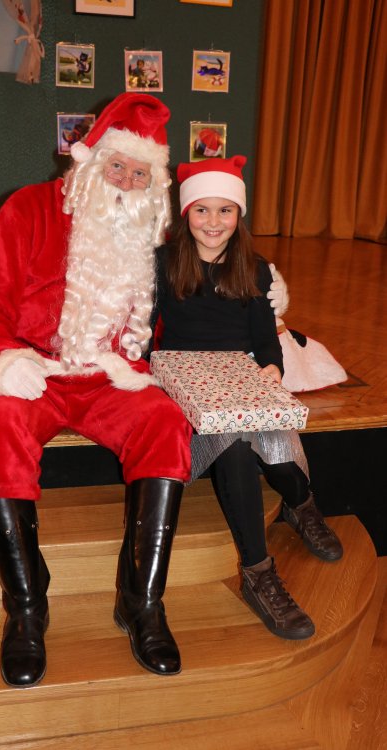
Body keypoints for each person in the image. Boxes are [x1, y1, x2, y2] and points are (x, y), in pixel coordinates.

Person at [0, 93, 195, 686]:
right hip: (35, 371)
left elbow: (184, 307)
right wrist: (2, 362)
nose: (126, 183)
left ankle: (141, 601)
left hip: (110, 378)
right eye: (118, 166)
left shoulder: (149, 230)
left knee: (166, 422)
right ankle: (26, 607)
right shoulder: (27, 209)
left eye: (140, 175)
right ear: (89, 161)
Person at [151, 156, 343, 640]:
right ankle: (259, 574)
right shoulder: (163, 264)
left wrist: (272, 367)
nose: (213, 222)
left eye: (226, 210)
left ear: (239, 215)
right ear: (186, 213)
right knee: (236, 447)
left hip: (240, 381)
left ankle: (301, 504)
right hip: (186, 389)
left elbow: (264, 340)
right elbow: (143, 331)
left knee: (273, 445)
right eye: (202, 210)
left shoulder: (254, 270)